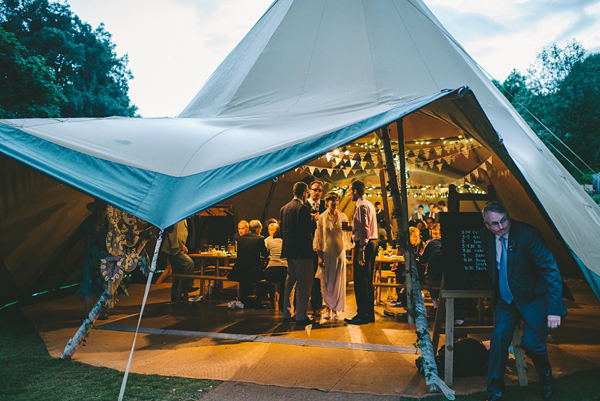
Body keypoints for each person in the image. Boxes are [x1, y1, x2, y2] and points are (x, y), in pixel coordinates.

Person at [480, 201, 567, 401]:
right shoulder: (485, 236)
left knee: (531, 344)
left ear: (508, 216)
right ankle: (494, 393)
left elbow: (551, 270)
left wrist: (554, 310)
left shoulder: (528, 234)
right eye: (495, 224)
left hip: (534, 298)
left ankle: (546, 379)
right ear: (486, 224)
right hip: (506, 300)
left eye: (504, 220)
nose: (501, 227)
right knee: (499, 340)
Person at [313, 192, 352, 320]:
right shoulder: (322, 217)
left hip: (339, 251)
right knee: (327, 281)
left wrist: (349, 230)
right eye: (331, 200)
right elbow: (318, 238)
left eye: (336, 200)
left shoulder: (343, 216)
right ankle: (328, 308)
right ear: (327, 202)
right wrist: (319, 256)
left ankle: (335, 309)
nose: (334, 202)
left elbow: (347, 235)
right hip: (327, 251)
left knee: (338, 281)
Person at [280, 181, 315, 325]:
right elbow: (307, 230)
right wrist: (314, 220)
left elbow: (282, 231)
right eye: (307, 193)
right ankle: (301, 315)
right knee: (303, 284)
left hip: (289, 250)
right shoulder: (302, 209)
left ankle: (287, 313)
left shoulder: (284, 209)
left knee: (290, 283)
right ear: (304, 193)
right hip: (302, 252)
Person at [345, 180, 378, 325]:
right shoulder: (369, 204)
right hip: (372, 242)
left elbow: (364, 229)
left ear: (355, 191)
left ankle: (362, 315)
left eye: (350, 190)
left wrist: (360, 250)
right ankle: (369, 314)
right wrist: (350, 228)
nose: (349, 193)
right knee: (367, 280)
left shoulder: (361, 206)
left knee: (361, 281)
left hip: (365, 244)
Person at [77, 199, 109, 316]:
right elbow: (79, 234)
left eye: (103, 209)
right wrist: (86, 237)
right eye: (99, 209)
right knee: (88, 282)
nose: (101, 212)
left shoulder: (109, 224)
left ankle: (101, 310)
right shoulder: (89, 222)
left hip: (104, 258)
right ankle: (88, 312)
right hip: (90, 257)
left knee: (104, 283)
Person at [229, 220, 268, 308]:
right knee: (265, 276)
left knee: (244, 279)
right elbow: (265, 254)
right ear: (258, 229)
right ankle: (259, 298)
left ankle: (244, 299)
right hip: (254, 270)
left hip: (241, 270)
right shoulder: (260, 238)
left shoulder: (239, 238)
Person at [160, 219, 197, 303]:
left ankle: (175, 296)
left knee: (177, 271)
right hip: (174, 248)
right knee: (189, 263)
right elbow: (175, 234)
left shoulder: (181, 217)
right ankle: (187, 285)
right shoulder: (180, 218)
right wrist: (181, 246)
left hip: (173, 248)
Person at [307, 180, 326, 316]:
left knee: (317, 276)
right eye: (315, 190)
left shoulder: (325, 206)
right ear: (309, 190)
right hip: (307, 245)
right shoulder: (304, 205)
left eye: (319, 190)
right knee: (304, 276)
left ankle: (317, 304)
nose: (317, 193)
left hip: (320, 245)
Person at [263, 222, 287, 311]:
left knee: (266, 280)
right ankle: (283, 305)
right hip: (285, 269)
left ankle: (272, 301)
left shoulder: (269, 242)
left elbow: (265, 252)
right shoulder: (286, 242)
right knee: (285, 285)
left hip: (271, 269)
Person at [422, 223, 442, 308]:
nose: (434, 236)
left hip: (433, 280)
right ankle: (442, 304)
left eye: (436, 234)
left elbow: (423, 260)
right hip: (449, 281)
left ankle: (435, 304)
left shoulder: (431, 243)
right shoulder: (450, 243)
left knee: (427, 277)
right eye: (433, 234)